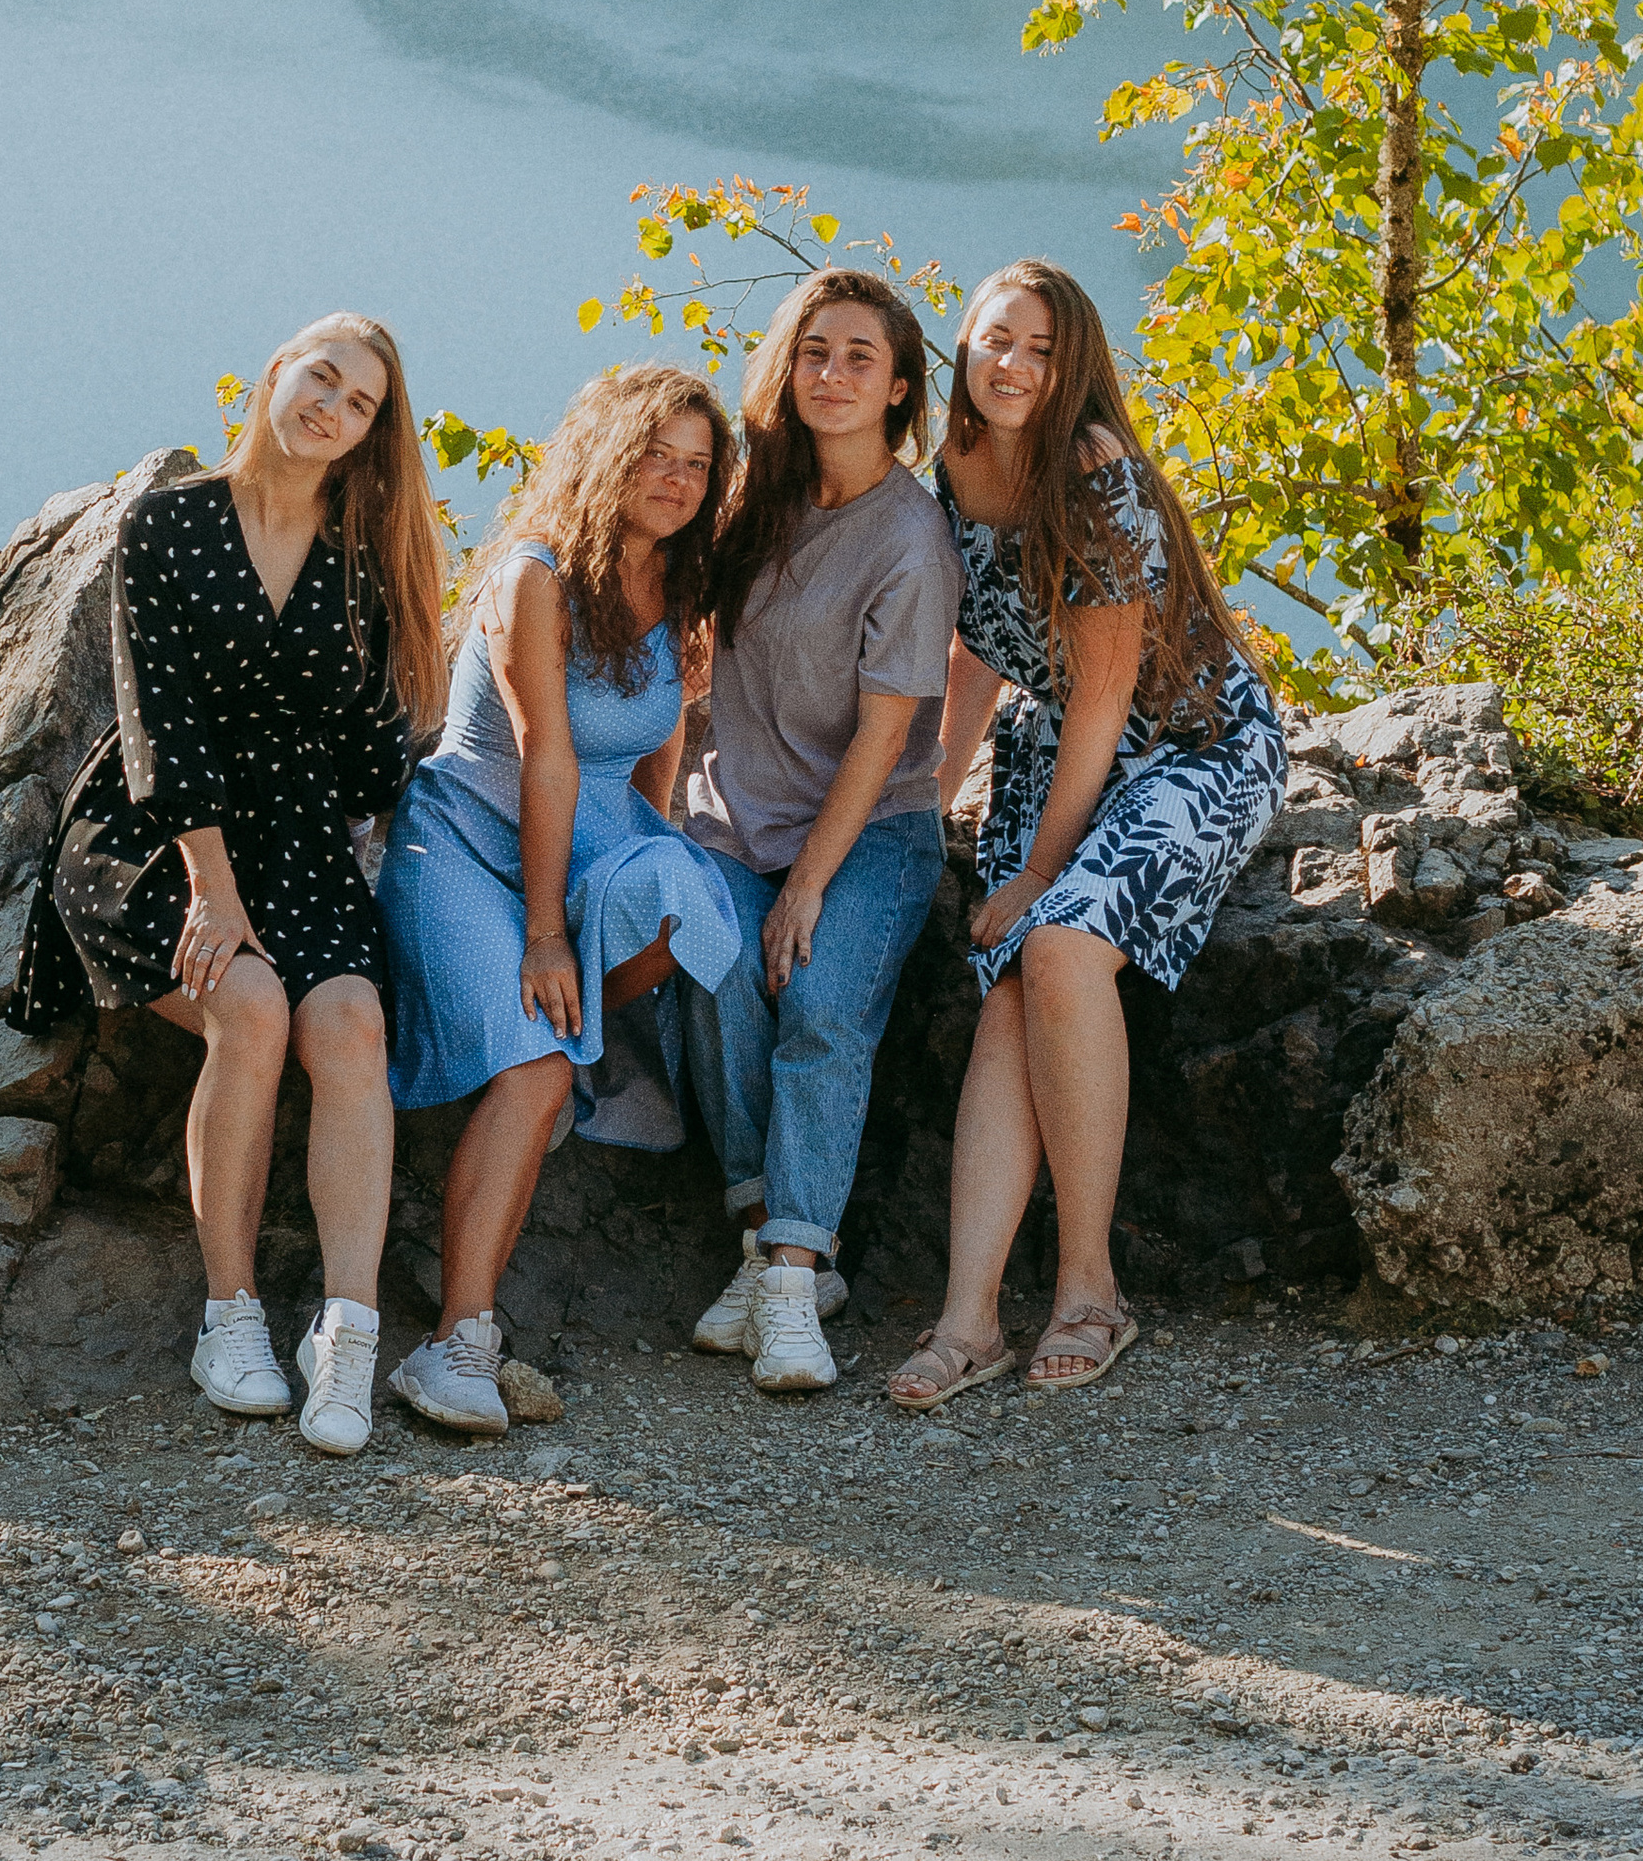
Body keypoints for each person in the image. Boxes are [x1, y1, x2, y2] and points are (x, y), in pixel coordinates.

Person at [10, 312, 446, 1456]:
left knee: (349, 1023)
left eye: (359, 404)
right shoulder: (168, 521)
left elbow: (366, 760)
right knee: (248, 1006)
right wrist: (212, 888)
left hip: (296, 836)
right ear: (275, 374)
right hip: (156, 832)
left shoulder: (362, 560)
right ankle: (230, 1314)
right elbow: (157, 716)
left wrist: (390, 706)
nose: (331, 408)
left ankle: (347, 1333)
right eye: (322, 378)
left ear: (368, 434)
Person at [886, 259, 1288, 1409]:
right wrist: (929, 791)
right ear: (962, 345)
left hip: (1191, 741)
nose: (1012, 364)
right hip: (1050, 741)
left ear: (1075, 367)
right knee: (1010, 985)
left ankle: (1089, 1288)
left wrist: (1037, 875)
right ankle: (968, 1320)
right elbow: (974, 650)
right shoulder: (951, 467)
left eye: (1040, 348)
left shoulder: (1097, 475)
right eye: (994, 338)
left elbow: (1109, 694)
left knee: (1056, 941)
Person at [379, 365, 745, 1433]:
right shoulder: (534, 575)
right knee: (535, 1067)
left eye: (696, 464)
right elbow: (546, 755)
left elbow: (659, 751)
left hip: (585, 838)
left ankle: (569, 1037)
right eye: (654, 455)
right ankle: (456, 1344)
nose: (675, 480)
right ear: (603, 454)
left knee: (692, 894)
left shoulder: (679, 583)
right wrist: (547, 933)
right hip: (465, 844)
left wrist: (630, 867)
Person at [679, 271, 962, 1394]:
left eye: (859, 357)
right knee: (716, 974)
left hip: (871, 829)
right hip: (732, 817)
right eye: (813, 351)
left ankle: (794, 1284)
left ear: (898, 388)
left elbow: (886, 737)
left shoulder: (912, 536)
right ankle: (762, 1239)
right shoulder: (752, 499)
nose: (832, 374)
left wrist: (807, 885)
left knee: (821, 1003)